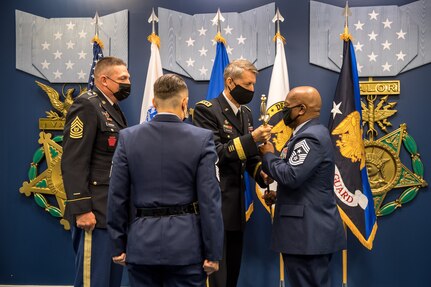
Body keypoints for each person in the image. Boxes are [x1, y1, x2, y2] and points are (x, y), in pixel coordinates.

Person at [107, 74, 224, 287]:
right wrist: (213, 252)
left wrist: (118, 244)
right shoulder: (202, 139)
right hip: (186, 246)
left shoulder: (127, 138)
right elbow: (210, 202)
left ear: (153, 102)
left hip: (141, 244)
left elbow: (117, 196)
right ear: (184, 102)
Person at [193, 59, 272, 287]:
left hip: (237, 205)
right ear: (230, 82)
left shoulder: (245, 113)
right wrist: (252, 139)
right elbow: (214, 154)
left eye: (253, 85)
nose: (252, 90)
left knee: (232, 275)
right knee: (217, 276)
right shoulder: (206, 110)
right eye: (247, 85)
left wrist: (261, 175)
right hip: (216, 203)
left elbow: (249, 157)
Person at [259, 86, 346, 287]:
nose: (283, 111)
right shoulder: (307, 134)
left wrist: (269, 155)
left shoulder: (310, 137)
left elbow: (291, 175)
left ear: (301, 109)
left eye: (287, 107)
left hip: (307, 234)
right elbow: (307, 182)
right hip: (307, 233)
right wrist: (280, 197)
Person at [61, 56, 130, 287]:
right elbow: (73, 160)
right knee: (93, 280)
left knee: (111, 280)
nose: (128, 82)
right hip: (94, 212)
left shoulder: (112, 109)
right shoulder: (87, 105)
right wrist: (81, 209)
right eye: (123, 78)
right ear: (104, 79)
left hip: (111, 209)